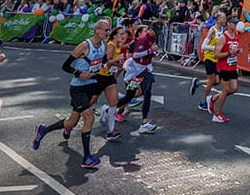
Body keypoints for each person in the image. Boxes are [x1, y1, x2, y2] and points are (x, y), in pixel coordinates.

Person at [32, 19, 110, 169]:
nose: (108, 33)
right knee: (89, 117)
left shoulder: (103, 46)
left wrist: (106, 67)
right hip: (78, 88)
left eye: (108, 30)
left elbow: (102, 63)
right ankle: (87, 157)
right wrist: (79, 73)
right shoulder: (84, 46)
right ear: (97, 30)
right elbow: (65, 66)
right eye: (106, 30)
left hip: (90, 87)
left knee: (71, 123)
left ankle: (44, 129)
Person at [115, 23, 160, 134]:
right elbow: (134, 56)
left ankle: (144, 122)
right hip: (134, 71)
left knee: (147, 93)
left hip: (145, 70)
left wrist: (152, 51)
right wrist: (150, 51)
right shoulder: (140, 40)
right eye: (145, 30)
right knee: (130, 95)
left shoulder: (151, 39)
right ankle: (111, 109)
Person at [190, 9, 225, 110]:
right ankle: (203, 101)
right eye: (223, 18)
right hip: (209, 58)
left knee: (217, 81)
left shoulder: (222, 30)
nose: (224, 20)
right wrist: (214, 48)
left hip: (217, 59)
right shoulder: (212, 30)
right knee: (211, 81)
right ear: (218, 19)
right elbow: (204, 46)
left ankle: (197, 83)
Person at [209, 21, 243, 123]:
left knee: (234, 89)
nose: (235, 25)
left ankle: (213, 98)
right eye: (233, 23)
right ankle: (217, 114)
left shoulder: (236, 35)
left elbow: (233, 49)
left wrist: (238, 51)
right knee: (225, 89)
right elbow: (216, 55)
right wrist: (229, 53)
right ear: (228, 24)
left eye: (236, 23)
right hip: (223, 67)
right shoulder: (223, 37)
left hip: (232, 66)